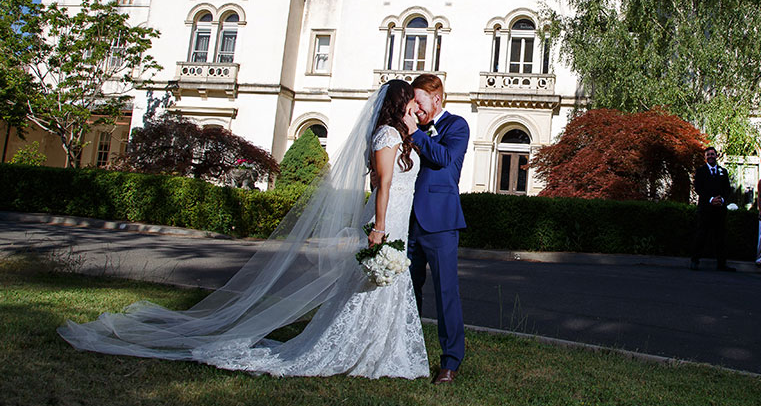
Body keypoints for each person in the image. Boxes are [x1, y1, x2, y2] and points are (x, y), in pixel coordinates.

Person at [58, 80, 429, 379]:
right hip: (385, 221)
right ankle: (357, 347)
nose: (416, 105)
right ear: (398, 103)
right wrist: (379, 228)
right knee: (370, 285)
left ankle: (382, 347)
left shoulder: (401, 136)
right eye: (411, 101)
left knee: (385, 285)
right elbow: (382, 185)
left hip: (396, 219)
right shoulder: (386, 136)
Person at [406, 73, 471, 384]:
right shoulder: (410, 128)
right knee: (407, 290)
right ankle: (407, 350)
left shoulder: (456, 126)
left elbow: (445, 159)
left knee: (446, 292)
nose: (416, 108)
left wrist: (415, 133)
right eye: (413, 101)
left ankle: (450, 361)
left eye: (420, 101)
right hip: (406, 220)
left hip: (441, 222)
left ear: (437, 98)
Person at [691, 146, 735, 271]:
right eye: (708, 154)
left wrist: (721, 199)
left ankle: (722, 263)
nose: (710, 156)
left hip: (719, 210)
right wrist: (711, 199)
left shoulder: (723, 171)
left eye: (712, 154)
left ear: (716, 156)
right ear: (705, 157)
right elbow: (698, 188)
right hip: (705, 209)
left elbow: (727, 189)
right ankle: (695, 260)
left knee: (721, 237)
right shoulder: (700, 171)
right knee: (701, 235)